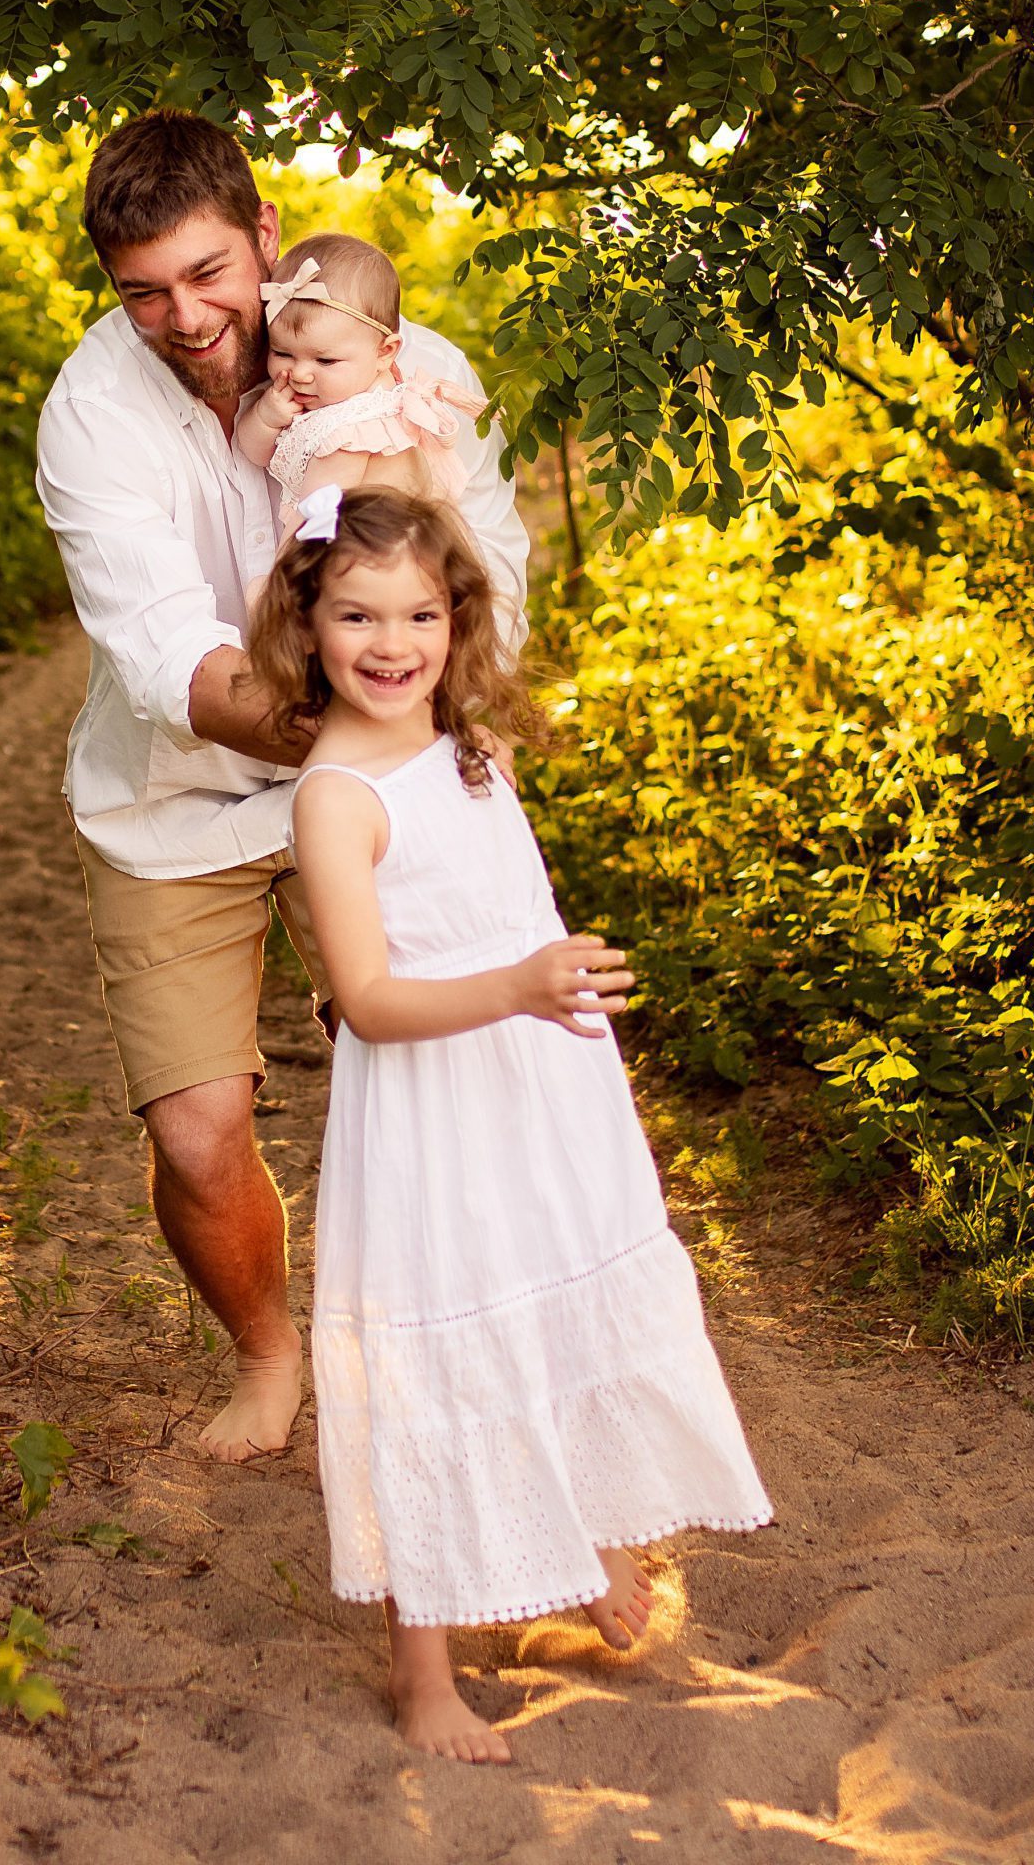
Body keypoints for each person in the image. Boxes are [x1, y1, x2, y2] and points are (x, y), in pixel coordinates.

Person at [248, 487, 772, 1763]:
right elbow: (365, 1000)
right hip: (437, 1109)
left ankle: (580, 1538)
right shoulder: (333, 797)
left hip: (541, 1092)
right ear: (306, 624)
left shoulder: (469, 743)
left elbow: (504, 898)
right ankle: (424, 1674)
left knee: (546, 1296)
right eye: (356, 613)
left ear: (457, 617)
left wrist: (549, 1001)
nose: (391, 641)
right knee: (437, 1348)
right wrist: (524, 987)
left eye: (419, 612)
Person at [34, 111, 529, 1463]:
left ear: (264, 238)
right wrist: (350, 723)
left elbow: (491, 562)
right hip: (178, 798)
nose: (185, 316)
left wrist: (411, 721)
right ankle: (271, 1359)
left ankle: (477, 1361)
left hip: (388, 784)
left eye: (208, 274)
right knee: (197, 1136)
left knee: (467, 1078)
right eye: (142, 290)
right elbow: (166, 660)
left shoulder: (403, 361)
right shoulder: (90, 415)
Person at [234, 231, 484, 542]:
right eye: (282, 352)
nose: (299, 373)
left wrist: (282, 586)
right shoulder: (330, 401)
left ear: (384, 353)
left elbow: (314, 529)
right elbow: (251, 452)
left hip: (373, 564)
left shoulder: (355, 433)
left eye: (324, 361)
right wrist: (267, 417)